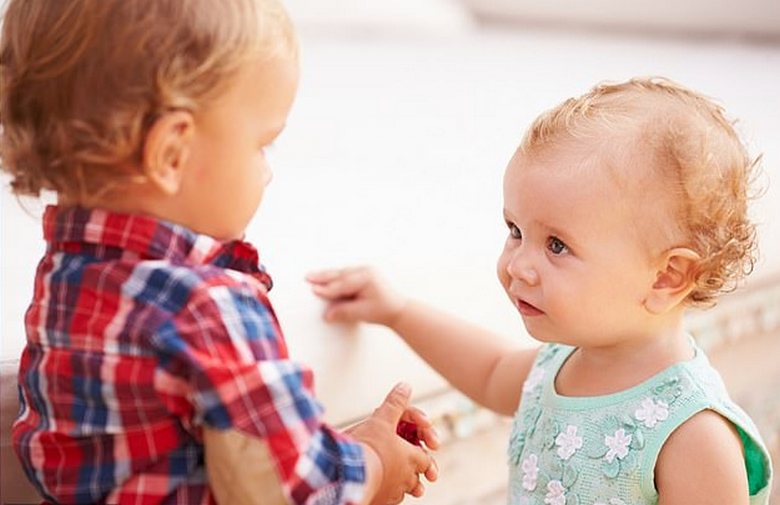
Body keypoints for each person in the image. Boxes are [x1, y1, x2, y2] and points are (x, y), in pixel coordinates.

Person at [0, 0, 438, 503]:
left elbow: (212, 458)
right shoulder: (206, 308)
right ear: (171, 153)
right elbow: (295, 494)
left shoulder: (63, 283)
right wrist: (377, 464)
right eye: (261, 145)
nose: (268, 171)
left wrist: (340, 448)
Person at [308, 77, 774, 504]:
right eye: (515, 230)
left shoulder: (693, 434)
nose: (518, 266)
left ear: (666, 277)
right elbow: (490, 372)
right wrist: (398, 312)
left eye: (557, 245)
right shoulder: (561, 362)